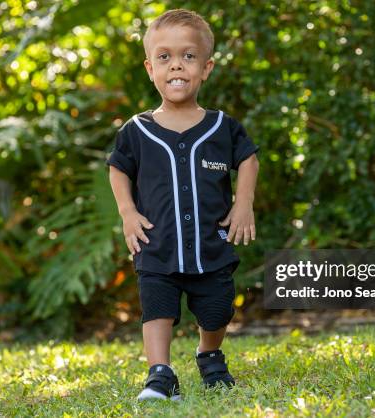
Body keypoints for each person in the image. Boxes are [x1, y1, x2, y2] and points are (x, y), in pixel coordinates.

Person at [106, 8, 260, 401]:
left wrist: (243, 203)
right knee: (156, 308)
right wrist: (128, 213)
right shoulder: (136, 131)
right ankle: (160, 374)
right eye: (164, 57)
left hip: (212, 243)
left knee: (218, 310)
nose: (177, 65)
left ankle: (209, 355)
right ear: (150, 68)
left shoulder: (222, 126)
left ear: (206, 68)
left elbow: (248, 159)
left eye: (188, 56)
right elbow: (118, 169)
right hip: (157, 245)